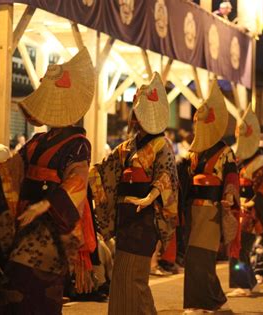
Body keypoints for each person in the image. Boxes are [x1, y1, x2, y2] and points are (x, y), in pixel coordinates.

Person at [0, 48, 97, 315]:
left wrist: (45, 205)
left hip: (52, 226)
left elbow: (76, 182)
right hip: (27, 220)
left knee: (33, 286)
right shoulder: (37, 142)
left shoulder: (78, 144)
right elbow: (10, 168)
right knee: (15, 282)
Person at [89, 72, 178, 315]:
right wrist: (82, 175)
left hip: (145, 218)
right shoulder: (128, 147)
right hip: (126, 217)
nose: (138, 119)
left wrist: (150, 196)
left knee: (134, 278)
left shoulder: (162, 145)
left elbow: (166, 175)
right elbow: (105, 170)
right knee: (122, 279)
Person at [181, 81, 239, 313]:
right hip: (194, 210)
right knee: (193, 258)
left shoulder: (226, 153)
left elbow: (232, 178)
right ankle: (199, 302)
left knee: (202, 258)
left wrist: (229, 196)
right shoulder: (195, 154)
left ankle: (212, 302)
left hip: (212, 209)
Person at [230, 107, 263, 294]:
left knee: (241, 247)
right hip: (237, 207)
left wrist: (251, 204)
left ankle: (244, 285)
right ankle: (248, 283)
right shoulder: (238, 157)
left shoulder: (260, 162)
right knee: (237, 247)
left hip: (251, 210)